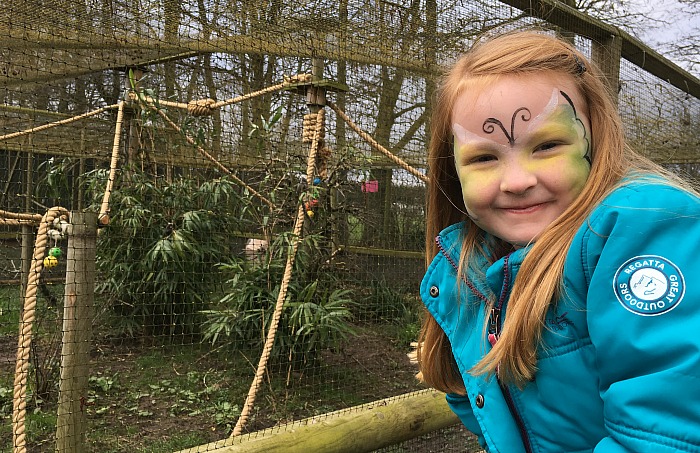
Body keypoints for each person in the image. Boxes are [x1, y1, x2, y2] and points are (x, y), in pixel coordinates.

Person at [416, 30, 700, 452]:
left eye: (547, 145)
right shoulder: (473, 262)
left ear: (596, 138)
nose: (516, 181)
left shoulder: (644, 226)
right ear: (452, 169)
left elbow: (665, 434)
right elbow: (486, 409)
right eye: (484, 157)